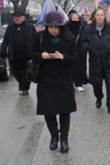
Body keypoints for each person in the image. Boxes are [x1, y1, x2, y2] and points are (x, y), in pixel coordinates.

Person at [31, 11, 76, 153]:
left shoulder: (69, 38)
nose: (53, 30)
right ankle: (54, 136)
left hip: (64, 79)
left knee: (64, 111)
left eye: (56, 27)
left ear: (61, 27)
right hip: (46, 80)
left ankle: (64, 139)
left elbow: (75, 58)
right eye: (50, 27)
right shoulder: (39, 37)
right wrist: (41, 55)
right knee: (48, 111)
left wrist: (63, 57)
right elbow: (31, 53)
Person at [81, 8, 110, 114]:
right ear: (94, 16)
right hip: (95, 61)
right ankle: (99, 97)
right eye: (98, 15)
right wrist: (90, 47)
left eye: (102, 15)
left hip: (109, 60)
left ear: (104, 17)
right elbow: (83, 42)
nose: (100, 17)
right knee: (96, 84)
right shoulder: (88, 29)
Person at [0, 10, 36, 95]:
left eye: (18, 16)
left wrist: (36, 51)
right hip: (14, 55)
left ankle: (25, 88)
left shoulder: (30, 27)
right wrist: (3, 51)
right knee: (15, 72)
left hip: (27, 54)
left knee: (27, 72)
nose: (16, 18)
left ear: (23, 18)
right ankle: (22, 83)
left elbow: (35, 40)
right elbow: (5, 40)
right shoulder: (10, 27)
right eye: (15, 16)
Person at [65, 10, 88, 92]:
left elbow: (85, 37)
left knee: (79, 67)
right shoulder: (66, 27)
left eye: (76, 18)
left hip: (80, 49)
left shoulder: (82, 27)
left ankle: (78, 83)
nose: (75, 20)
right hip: (69, 49)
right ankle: (70, 83)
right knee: (70, 67)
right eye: (73, 18)